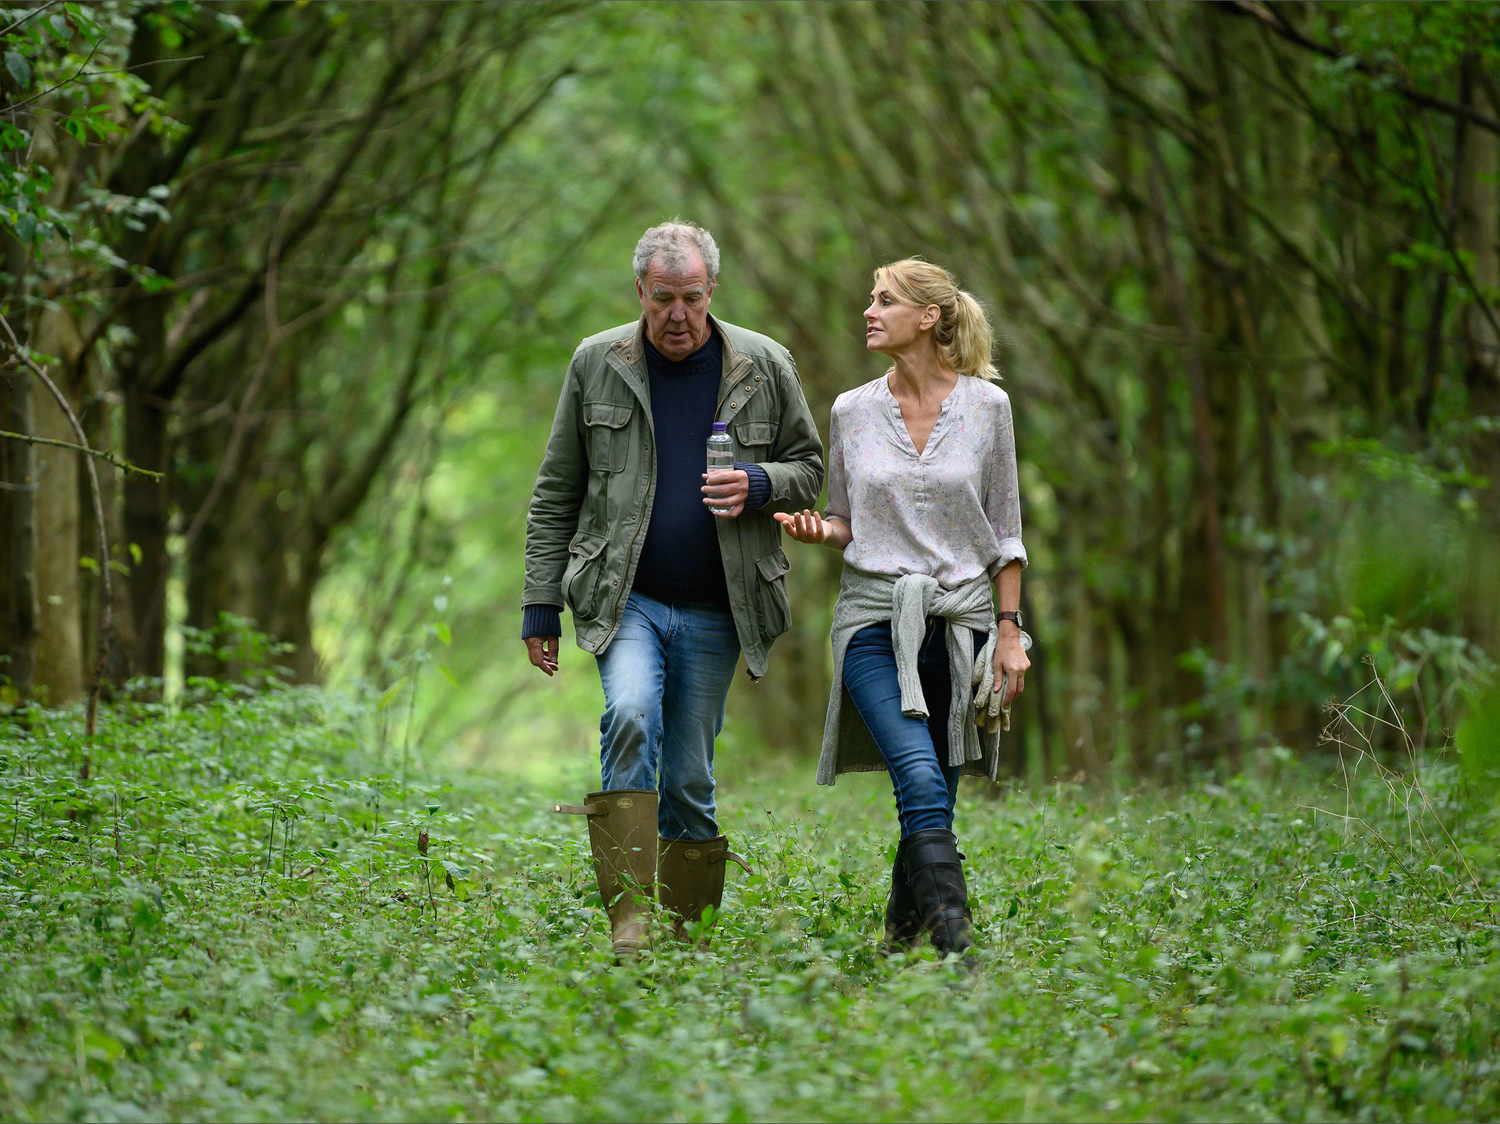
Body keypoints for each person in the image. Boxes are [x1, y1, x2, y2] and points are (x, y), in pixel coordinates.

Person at [522, 220, 825, 957]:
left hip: (721, 606)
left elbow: (812, 469)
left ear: (712, 289)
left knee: (689, 776)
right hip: (626, 598)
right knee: (628, 713)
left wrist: (758, 483)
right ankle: (630, 922)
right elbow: (556, 491)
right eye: (664, 299)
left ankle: (689, 940)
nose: (679, 314)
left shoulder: (764, 364)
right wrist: (540, 604)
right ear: (640, 292)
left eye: (692, 297)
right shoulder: (596, 362)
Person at [775, 258, 1030, 961]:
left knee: (933, 799)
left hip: (960, 626)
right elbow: (845, 519)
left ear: (928, 317)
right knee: (917, 776)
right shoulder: (851, 410)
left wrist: (1009, 633)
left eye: (885, 300)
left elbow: (1006, 533)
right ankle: (959, 954)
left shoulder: (989, 408)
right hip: (872, 621)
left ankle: (895, 945)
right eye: (871, 298)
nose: (869, 310)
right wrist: (818, 530)